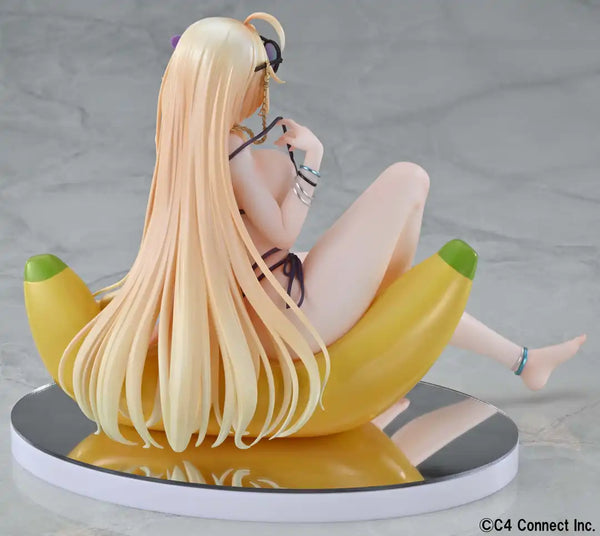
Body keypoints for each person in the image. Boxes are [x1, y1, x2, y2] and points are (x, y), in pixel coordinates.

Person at [61, 12, 585, 451]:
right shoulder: (229, 147)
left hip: (264, 297)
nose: (263, 88)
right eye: (258, 78)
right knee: (408, 180)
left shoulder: (184, 149)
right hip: (289, 312)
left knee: (379, 266)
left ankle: (523, 361)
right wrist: (312, 159)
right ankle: (397, 338)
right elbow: (281, 232)